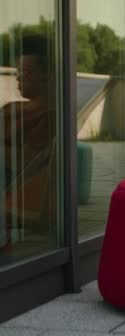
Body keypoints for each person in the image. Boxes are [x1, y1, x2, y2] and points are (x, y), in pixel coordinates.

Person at [1, 33, 57, 247]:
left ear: (48, 75)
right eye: (18, 73)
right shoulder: (12, 108)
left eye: (25, 73)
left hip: (11, 190)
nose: (18, 79)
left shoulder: (50, 116)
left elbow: (26, 162)